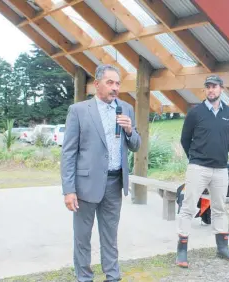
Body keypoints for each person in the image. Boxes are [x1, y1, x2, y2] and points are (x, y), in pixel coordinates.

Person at [61, 64, 141, 281]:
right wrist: (68, 190)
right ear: (97, 84)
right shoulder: (79, 110)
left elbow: (136, 145)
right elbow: (68, 153)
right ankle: (84, 277)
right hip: (85, 185)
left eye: (117, 83)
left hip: (114, 184)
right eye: (110, 82)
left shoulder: (126, 108)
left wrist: (129, 130)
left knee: (110, 235)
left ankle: (112, 276)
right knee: (82, 237)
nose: (115, 88)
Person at [176, 74, 229, 268]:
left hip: (220, 169)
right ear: (205, 90)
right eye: (208, 87)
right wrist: (196, 158)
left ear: (222, 89)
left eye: (215, 86)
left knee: (220, 208)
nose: (211, 90)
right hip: (198, 167)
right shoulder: (195, 113)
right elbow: (185, 139)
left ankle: (222, 248)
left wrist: (218, 155)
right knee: (188, 207)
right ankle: (182, 251)